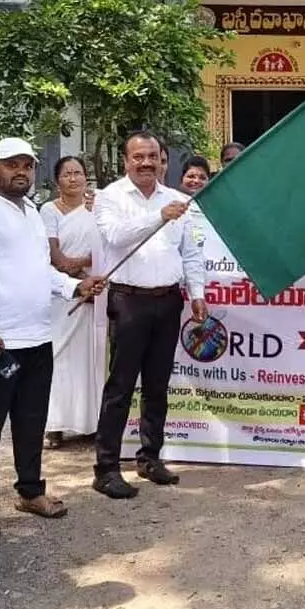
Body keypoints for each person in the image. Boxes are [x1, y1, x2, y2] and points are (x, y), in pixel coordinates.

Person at [0, 139, 105, 540]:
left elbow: (42, 270)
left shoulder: (31, 213)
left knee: (31, 419)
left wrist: (75, 287)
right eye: (12, 164)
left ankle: (29, 490)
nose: (21, 171)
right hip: (2, 340)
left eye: (27, 164)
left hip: (39, 335)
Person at [93, 131, 207, 499]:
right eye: (138, 156)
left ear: (163, 161)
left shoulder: (177, 200)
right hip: (128, 301)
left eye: (152, 156)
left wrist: (197, 293)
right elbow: (115, 237)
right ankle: (106, 468)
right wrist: (158, 217)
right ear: (125, 160)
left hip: (168, 301)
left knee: (157, 384)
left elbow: (190, 253)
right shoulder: (110, 197)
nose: (145, 163)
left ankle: (150, 456)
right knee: (121, 385)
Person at [40, 156, 104, 447]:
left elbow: (108, 247)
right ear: (57, 181)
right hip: (61, 294)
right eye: (67, 174)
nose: (74, 179)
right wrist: (81, 271)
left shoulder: (97, 209)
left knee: (89, 360)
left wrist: (91, 273)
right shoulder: (48, 210)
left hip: (93, 294)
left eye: (79, 173)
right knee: (58, 359)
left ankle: (89, 423)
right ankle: (54, 425)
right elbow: (57, 259)